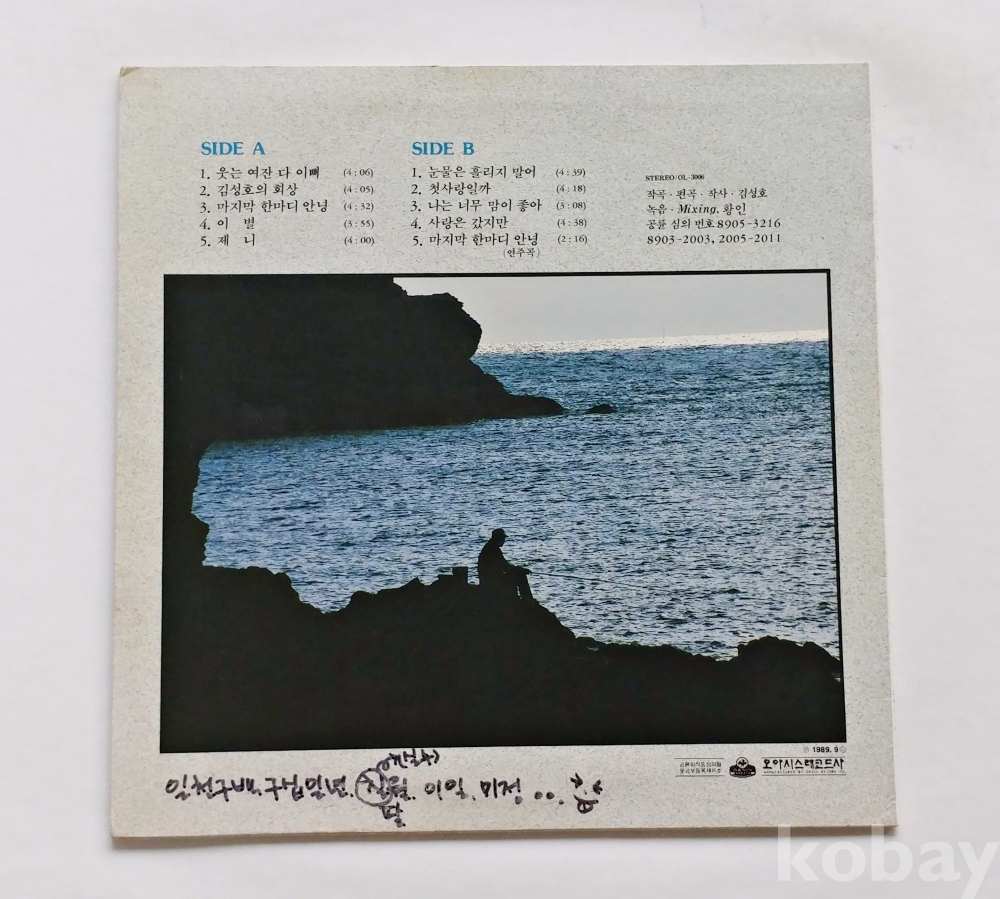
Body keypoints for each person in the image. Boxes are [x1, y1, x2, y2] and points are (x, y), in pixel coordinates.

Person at [477, 528, 534, 602]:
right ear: (498, 538)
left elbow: (504, 566)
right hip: (491, 581)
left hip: (488, 579)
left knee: (517, 573)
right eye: (503, 538)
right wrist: (520, 570)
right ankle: (527, 600)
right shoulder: (493, 550)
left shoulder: (490, 547)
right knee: (520, 576)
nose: (504, 541)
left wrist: (517, 569)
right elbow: (505, 567)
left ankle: (523, 599)